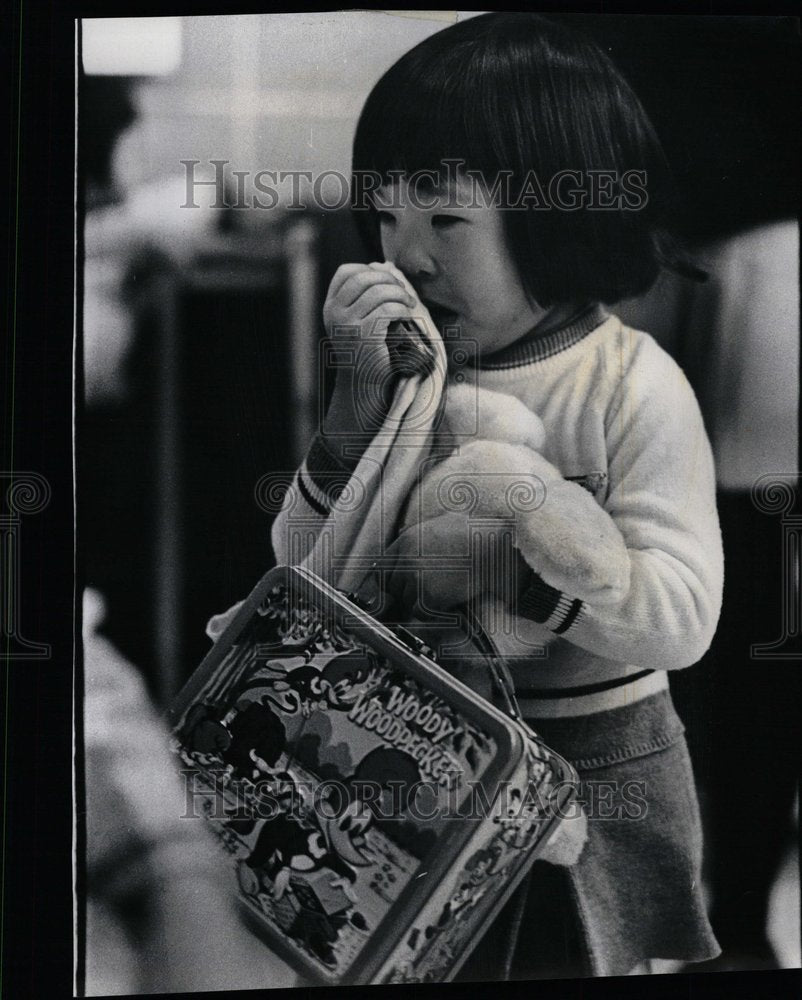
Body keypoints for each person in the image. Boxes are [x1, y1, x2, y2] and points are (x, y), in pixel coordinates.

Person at [226, 13, 724, 980]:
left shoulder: (630, 383)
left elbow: (683, 617)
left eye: (446, 220)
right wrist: (352, 411)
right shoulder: (414, 372)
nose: (406, 257)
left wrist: (520, 566)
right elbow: (304, 581)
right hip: (417, 761)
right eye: (387, 217)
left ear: (559, 219)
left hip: (591, 769)